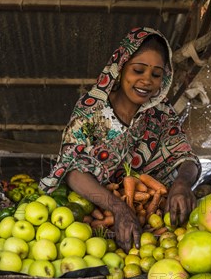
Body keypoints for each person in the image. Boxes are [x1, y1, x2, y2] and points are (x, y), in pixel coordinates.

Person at [40, 26, 201, 252]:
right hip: (90, 222)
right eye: (138, 70)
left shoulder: (161, 114)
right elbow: (71, 169)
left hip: (150, 226)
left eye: (156, 74)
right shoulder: (91, 109)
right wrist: (119, 209)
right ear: (121, 68)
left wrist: (182, 183)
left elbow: (185, 155)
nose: (146, 81)